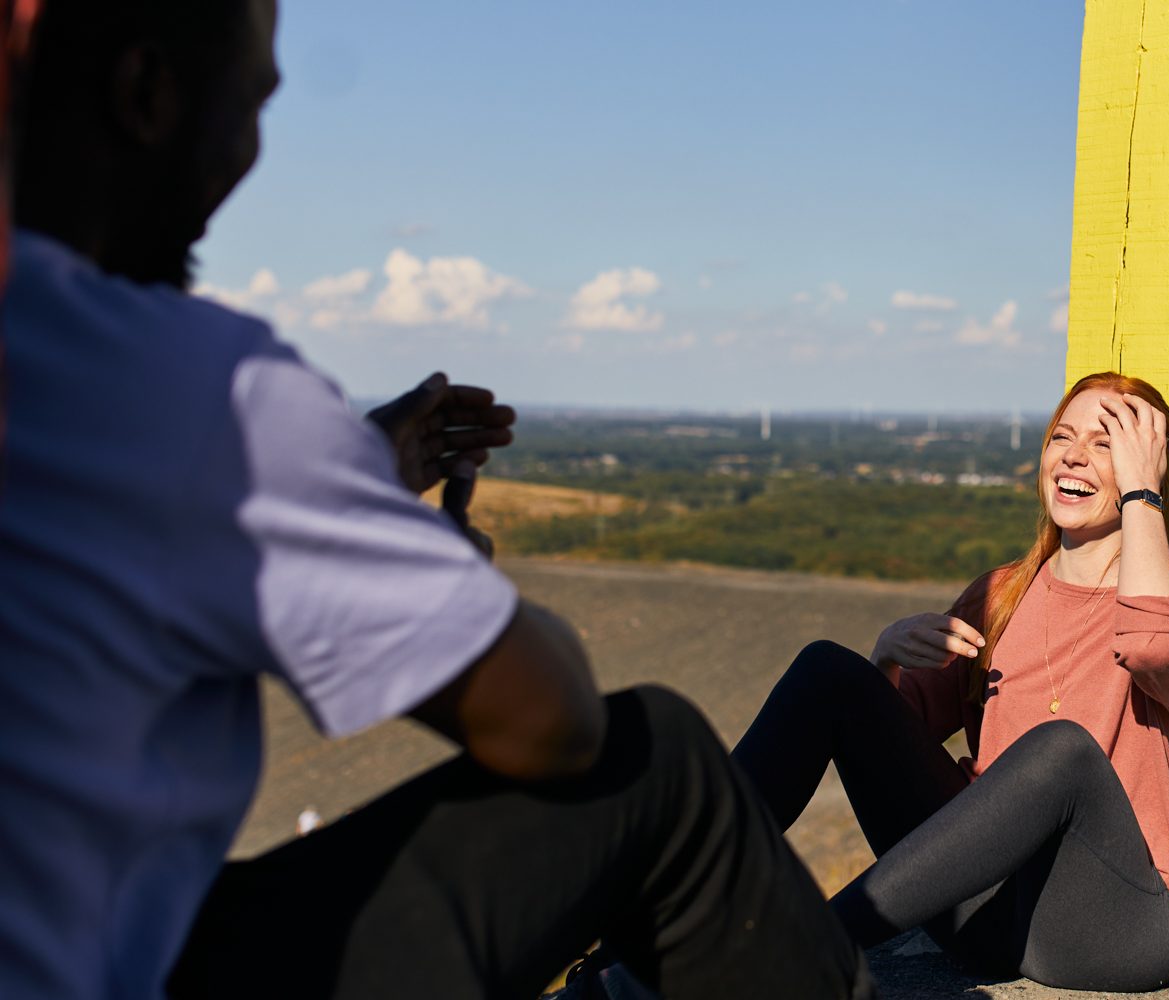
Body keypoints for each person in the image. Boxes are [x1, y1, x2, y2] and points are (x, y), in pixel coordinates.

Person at [0, 2, 870, 998]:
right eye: (248, 104)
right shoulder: (189, 387)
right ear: (146, 94)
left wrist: (342, 472)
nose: (247, 152)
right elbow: (552, 723)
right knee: (656, 752)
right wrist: (440, 555)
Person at [732, 371, 1169, 992]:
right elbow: (895, 752)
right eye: (1062, 437)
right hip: (985, 911)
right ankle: (641, 932)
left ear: (1146, 468)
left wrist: (1142, 497)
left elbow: (1151, 647)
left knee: (1062, 749)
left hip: (1114, 924)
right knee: (829, 672)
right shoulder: (1000, 596)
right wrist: (884, 662)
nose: (1074, 455)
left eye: (1107, 443)